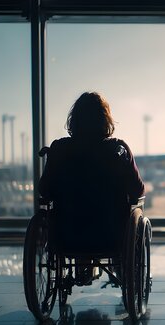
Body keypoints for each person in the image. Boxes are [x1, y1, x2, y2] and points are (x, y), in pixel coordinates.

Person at [39, 92, 145, 253]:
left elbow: (44, 190)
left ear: (74, 119)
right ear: (105, 119)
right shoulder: (118, 149)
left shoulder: (60, 148)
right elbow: (137, 190)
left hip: (66, 236)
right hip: (111, 236)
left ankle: (81, 272)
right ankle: (122, 270)